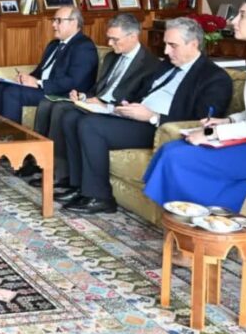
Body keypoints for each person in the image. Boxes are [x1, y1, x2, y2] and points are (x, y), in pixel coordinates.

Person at [62, 17, 233, 214]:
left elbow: (200, 121)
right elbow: (140, 93)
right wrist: (116, 107)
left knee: (90, 126)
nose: (166, 51)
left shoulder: (214, 78)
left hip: (159, 128)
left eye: (172, 45)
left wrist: (153, 116)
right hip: (135, 116)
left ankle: (99, 197)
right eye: (166, 44)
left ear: (193, 44)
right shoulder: (166, 65)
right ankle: (79, 187)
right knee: (71, 117)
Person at [143, 0, 246, 211]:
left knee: (179, 156)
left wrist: (210, 133)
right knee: (171, 148)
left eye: (242, 15)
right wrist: (227, 121)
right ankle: (186, 217)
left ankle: (196, 218)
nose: (233, 21)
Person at [28, 13, 157, 194]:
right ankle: (61, 174)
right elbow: (98, 88)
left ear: (133, 36)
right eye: (109, 38)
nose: (109, 43)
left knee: (63, 111)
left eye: (114, 39)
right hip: (97, 104)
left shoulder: (150, 65)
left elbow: (137, 100)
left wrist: (107, 105)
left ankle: (63, 176)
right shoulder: (112, 57)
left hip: (115, 110)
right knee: (57, 108)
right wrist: (83, 96)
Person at [0, 6, 99, 125]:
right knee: (1, 86)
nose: (53, 25)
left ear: (73, 23)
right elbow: (40, 72)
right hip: (46, 88)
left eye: (58, 21)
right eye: (54, 20)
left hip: (61, 94)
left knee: (12, 92)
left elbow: (73, 81)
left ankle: (11, 135)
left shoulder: (84, 46)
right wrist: (26, 79)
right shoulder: (54, 44)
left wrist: (38, 83)